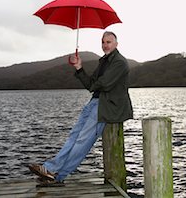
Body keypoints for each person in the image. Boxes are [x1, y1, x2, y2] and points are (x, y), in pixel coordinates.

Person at [28, 31, 133, 186]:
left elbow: (103, 84)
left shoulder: (120, 62)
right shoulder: (104, 62)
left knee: (82, 141)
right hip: (94, 102)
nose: (105, 45)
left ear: (116, 44)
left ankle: (52, 170)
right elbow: (91, 84)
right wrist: (79, 68)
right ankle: (53, 175)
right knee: (74, 137)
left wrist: (92, 84)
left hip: (106, 106)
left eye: (109, 42)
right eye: (103, 42)